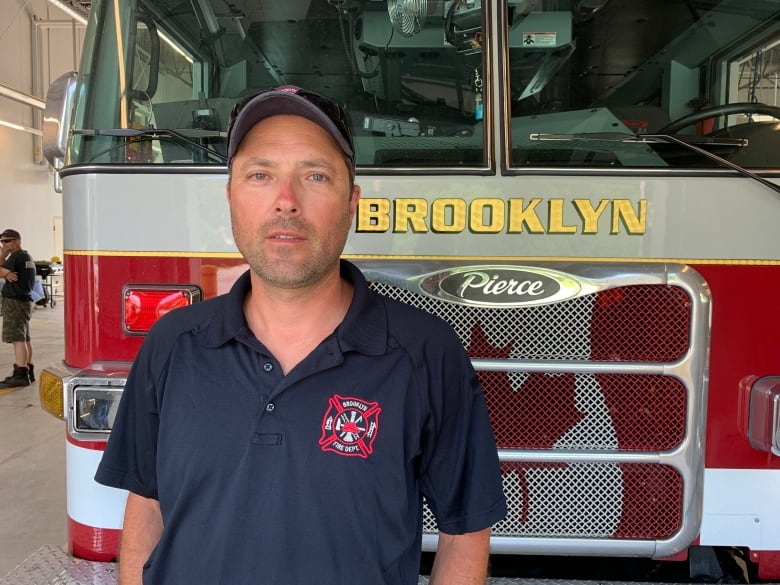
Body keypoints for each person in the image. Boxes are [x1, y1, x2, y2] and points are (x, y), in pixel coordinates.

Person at [95, 86, 507, 585]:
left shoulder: (426, 353)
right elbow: (147, 501)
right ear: (231, 197)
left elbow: (464, 531)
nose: (286, 202)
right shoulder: (172, 343)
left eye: (315, 175)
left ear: (352, 201)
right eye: (260, 175)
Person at [0, 229, 36, 390]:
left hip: (15, 302)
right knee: (24, 337)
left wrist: (2, 254)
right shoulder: (25, 256)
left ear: (17, 241)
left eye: (7, 241)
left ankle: (20, 373)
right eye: (2, 242)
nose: (4, 244)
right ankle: (27, 368)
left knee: (17, 339)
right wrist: (5, 274)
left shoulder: (16, 257)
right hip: (23, 301)